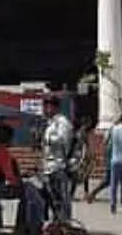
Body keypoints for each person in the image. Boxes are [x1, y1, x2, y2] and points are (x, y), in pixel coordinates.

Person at [40, 95, 75, 224]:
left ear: (55, 107)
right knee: (52, 199)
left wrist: (49, 140)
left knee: (61, 198)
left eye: (48, 106)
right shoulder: (50, 123)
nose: (45, 109)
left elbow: (64, 141)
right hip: (48, 166)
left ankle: (64, 223)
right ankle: (55, 222)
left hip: (59, 166)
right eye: (45, 106)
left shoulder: (62, 122)